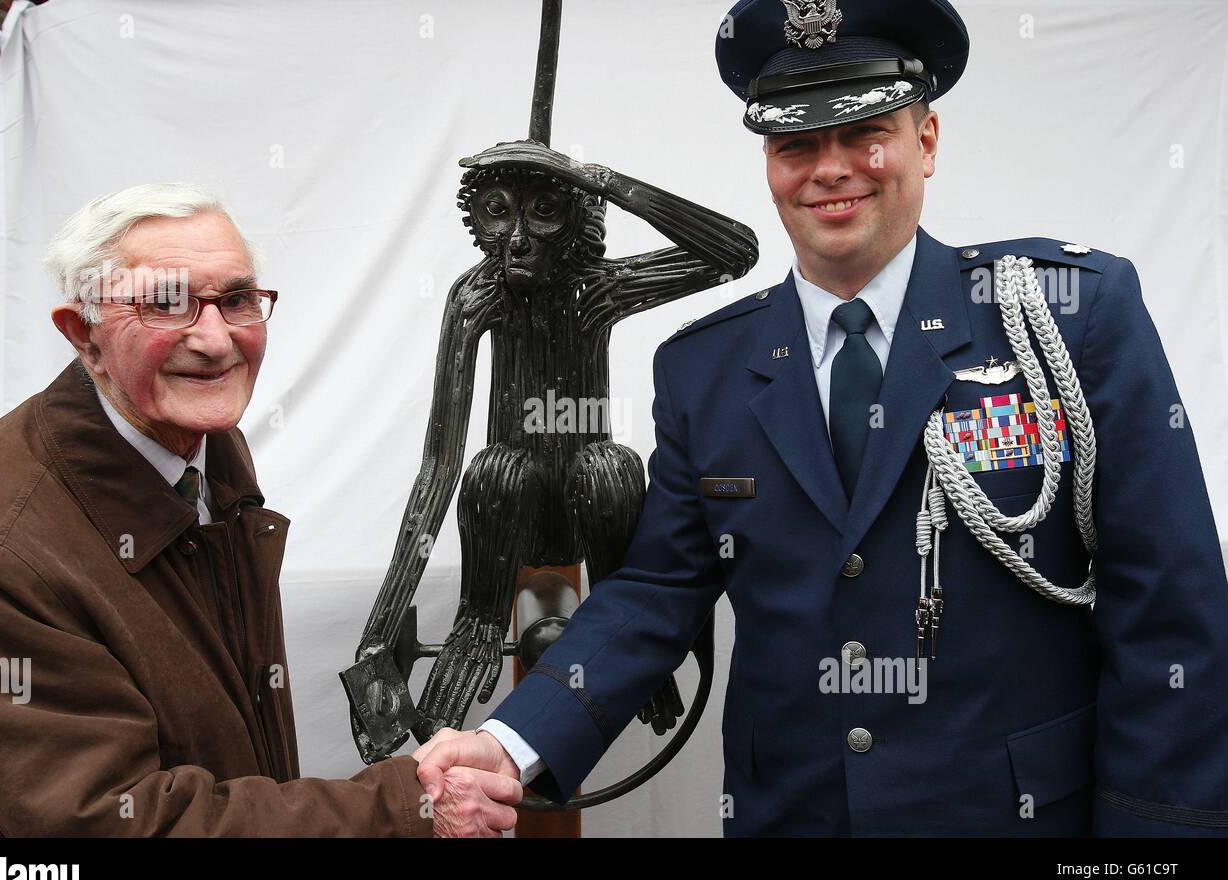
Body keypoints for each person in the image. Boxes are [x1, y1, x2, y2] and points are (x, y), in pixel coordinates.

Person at [415, 0, 1228, 836]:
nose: (831, 168)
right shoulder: (706, 370)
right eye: (796, 143)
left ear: (929, 141)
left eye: (866, 131)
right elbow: (657, 591)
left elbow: (1170, 607)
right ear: (770, 161)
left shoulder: (1065, 320)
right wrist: (513, 743)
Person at [0, 183, 517, 836]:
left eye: (236, 299)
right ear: (82, 335)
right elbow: (114, 825)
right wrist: (402, 807)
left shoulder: (205, 442)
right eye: (167, 303)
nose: (215, 340)